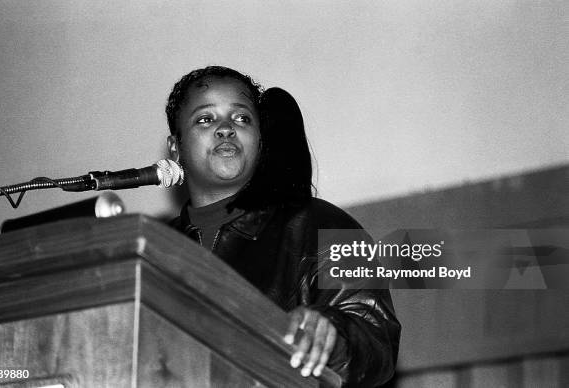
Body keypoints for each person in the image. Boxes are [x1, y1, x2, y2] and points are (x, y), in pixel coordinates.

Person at [165, 66, 400, 387]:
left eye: (241, 118)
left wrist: (332, 333)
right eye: (205, 119)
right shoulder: (156, 249)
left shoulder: (323, 225)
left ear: (261, 141)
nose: (225, 129)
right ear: (175, 148)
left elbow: (375, 338)